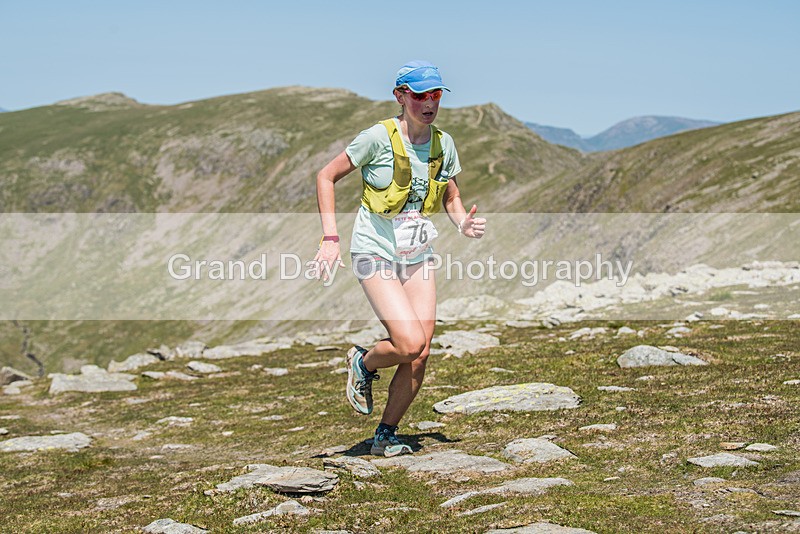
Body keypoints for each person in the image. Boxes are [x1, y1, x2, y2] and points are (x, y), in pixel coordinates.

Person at [314, 60, 486, 457]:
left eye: (436, 95)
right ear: (400, 96)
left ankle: (385, 436)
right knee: (408, 342)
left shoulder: (444, 143)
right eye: (420, 95)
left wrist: (462, 223)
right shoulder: (377, 137)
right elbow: (326, 176)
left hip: (417, 253)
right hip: (373, 251)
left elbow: (451, 196)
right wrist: (330, 237)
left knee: (421, 351)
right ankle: (364, 363)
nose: (429, 103)